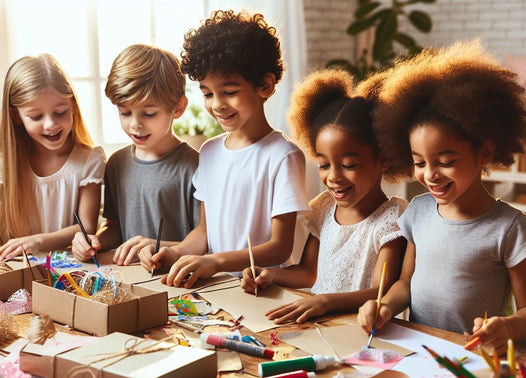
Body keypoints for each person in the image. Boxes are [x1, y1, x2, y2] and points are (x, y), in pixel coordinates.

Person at [357, 40, 526, 355]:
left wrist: (507, 326)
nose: (430, 174)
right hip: (419, 351)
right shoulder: (419, 210)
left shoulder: (510, 227)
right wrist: (383, 306)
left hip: (474, 357)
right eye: (420, 162)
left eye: (446, 161)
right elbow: (405, 283)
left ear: (485, 152)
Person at [139, 9, 308, 287]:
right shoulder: (209, 151)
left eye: (229, 92)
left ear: (265, 85)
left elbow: (280, 247)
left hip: (261, 289)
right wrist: (177, 252)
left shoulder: (283, 156)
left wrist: (215, 261)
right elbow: (205, 230)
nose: (217, 104)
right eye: (207, 93)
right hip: (217, 289)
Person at [241, 69, 407, 324]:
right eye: (324, 165)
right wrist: (272, 275)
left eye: (349, 165)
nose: (333, 177)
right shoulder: (325, 208)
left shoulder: (392, 219)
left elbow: (381, 291)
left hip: (359, 329)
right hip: (319, 324)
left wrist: (325, 301)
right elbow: (309, 272)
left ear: (382, 159)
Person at [71, 43, 200, 265]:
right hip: (128, 281)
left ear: (178, 108)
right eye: (125, 112)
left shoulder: (195, 166)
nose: (135, 124)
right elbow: (115, 227)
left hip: (177, 285)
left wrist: (157, 246)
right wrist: (92, 243)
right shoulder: (117, 164)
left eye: (149, 113)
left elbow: (206, 242)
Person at [0, 54, 104, 260]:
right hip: (15, 269)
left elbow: (86, 227)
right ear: (15, 116)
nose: (50, 124)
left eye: (60, 112)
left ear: (72, 105)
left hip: (67, 269)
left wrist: (37, 241)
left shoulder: (88, 160)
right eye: (36, 116)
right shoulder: (5, 165)